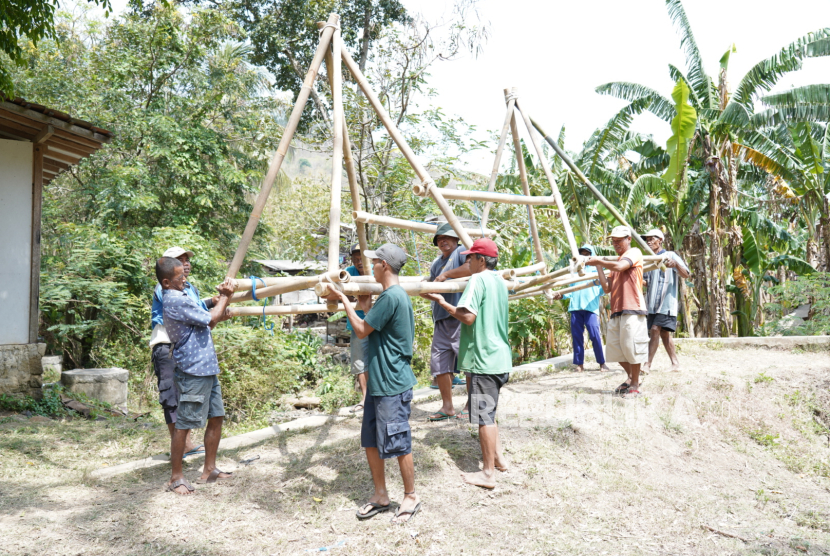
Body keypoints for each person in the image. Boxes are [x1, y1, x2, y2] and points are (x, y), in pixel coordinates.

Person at [330, 243, 421, 524]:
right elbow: (371, 327)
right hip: (379, 383)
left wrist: (343, 299)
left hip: (392, 384)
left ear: (385, 265)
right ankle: (381, 495)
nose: (371, 267)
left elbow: (360, 329)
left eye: (374, 262)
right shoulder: (388, 297)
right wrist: (363, 307)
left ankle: (410, 496)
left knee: (398, 441)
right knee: (371, 440)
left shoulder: (392, 297)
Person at [422, 238, 511, 490]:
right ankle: (499, 460)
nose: (467, 262)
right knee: (490, 414)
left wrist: (441, 302)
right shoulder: (499, 281)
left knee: (485, 417)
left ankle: (487, 473)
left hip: (484, 359)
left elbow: (468, 316)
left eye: (470, 258)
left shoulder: (478, 279)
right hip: (500, 357)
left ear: (481, 260)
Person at [155, 256, 235, 495]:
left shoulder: (184, 296)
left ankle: (209, 469)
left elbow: (208, 324)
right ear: (167, 282)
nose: (185, 279)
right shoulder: (173, 299)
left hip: (207, 366)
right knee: (184, 425)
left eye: (185, 275)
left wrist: (219, 309)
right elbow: (210, 317)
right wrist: (225, 298)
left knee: (217, 416)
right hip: (192, 369)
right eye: (180, 277)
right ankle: (176, 478)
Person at [150, 246, 219, 459]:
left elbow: (197, 309)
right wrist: (215, 305)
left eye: (187, 259)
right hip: (167, 345)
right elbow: (191, 310)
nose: (186, 263)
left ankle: (186, 445)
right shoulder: (167, 290)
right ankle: (181, 447)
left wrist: (212, 302)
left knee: (185, 397)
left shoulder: (188, 288)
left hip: (184, 349)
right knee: (171, 396)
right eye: (180, 260)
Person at [585, 226, 648, 398]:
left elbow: (621, 267)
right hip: (617, 310)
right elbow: (607, 288)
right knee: (615, 350)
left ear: (629, 239)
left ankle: (635, 386)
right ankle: (632, 378)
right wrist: (599, 266)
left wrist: (599, 261)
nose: (616, 244)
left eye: (619, 240)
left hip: (633, 308)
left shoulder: (633, 253)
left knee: (631, 348)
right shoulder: (615, 263)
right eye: (614, 241)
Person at [425, 223, 471, 421]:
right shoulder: (437, 263)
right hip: (442, 318)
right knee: (440, 363)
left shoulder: (461, 252)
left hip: (460, 316)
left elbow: (471, 267)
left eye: (447, 237)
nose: (443, 241)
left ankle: (472, 405)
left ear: (455, 239)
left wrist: (445, 275)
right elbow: (430, 285)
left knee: (468, 362)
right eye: (439, 239)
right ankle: (447, 406)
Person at [551, 245, 611, 373]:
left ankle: (602, 363)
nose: (584, 256)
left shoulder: (596, 271)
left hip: (591, 308)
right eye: (582, 254)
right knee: (577, 337)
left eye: (587, 254)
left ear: (591, 256)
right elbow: (570, 290)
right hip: (575, 308)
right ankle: (579, 364)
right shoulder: (575, 272)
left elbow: (603, 290)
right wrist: (561, 295)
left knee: (595, 336)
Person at [641, 229, 690, 373]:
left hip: (666, 303)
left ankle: (647, 365)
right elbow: (647, 282)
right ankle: (675, 363)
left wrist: (675, 265)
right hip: (652, 304)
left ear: (660, 240)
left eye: (652, 238)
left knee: (655, 329)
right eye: (647, 239)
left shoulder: (670, 256)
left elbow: (686, 274)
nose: (649, 241)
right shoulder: (649, 259)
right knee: (663, 333)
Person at [343, 244, 372, 412]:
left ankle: (377, 396)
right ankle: (365, 398)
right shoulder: (348, 272)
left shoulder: (375, 271)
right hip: (357, 323)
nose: (359, 261)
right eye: (356, 258)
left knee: (377, 359)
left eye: (362, 258)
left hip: (376, 322)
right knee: (360, 362)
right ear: (352, 259)